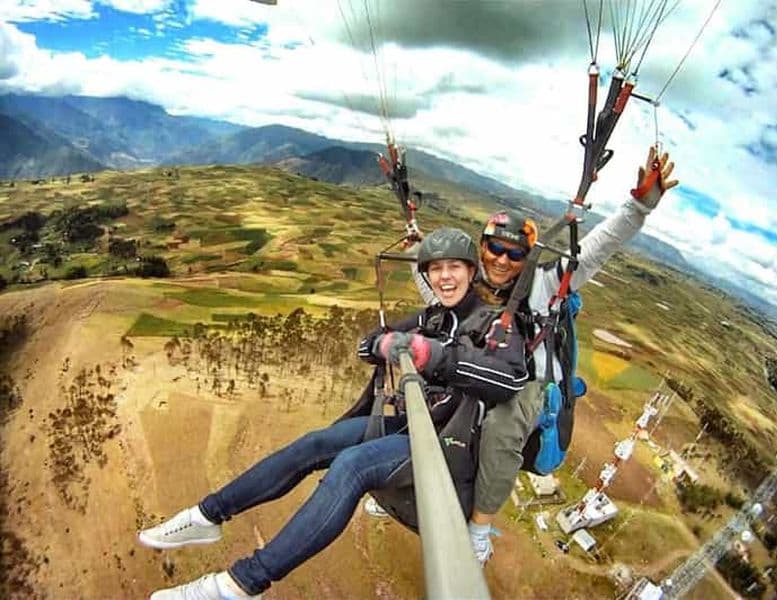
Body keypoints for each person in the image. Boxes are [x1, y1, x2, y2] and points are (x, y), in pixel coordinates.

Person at [137, 227, 528, 600]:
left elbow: (508, 378)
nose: (444, 277)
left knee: (352, 466)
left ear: (470, 271)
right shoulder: (435, 318)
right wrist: (385, 343)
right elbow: (367, 345)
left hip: (448, 448)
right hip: (414, 427)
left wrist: (432, 355)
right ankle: (207, 516)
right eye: (435, 269)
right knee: (316, 443)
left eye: (453, 268)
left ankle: (242, 584)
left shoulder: (496, 325)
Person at [465, 146, 679, 564]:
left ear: (528, 259)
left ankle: (479, 529)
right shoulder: (471, 284)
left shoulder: (544, 285)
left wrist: (638, 208)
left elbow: (599, 247)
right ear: (481, 246)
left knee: (505, 422)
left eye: (515, 254)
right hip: (482, 374)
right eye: (495, 249)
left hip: (528, 389)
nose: (503, 260)